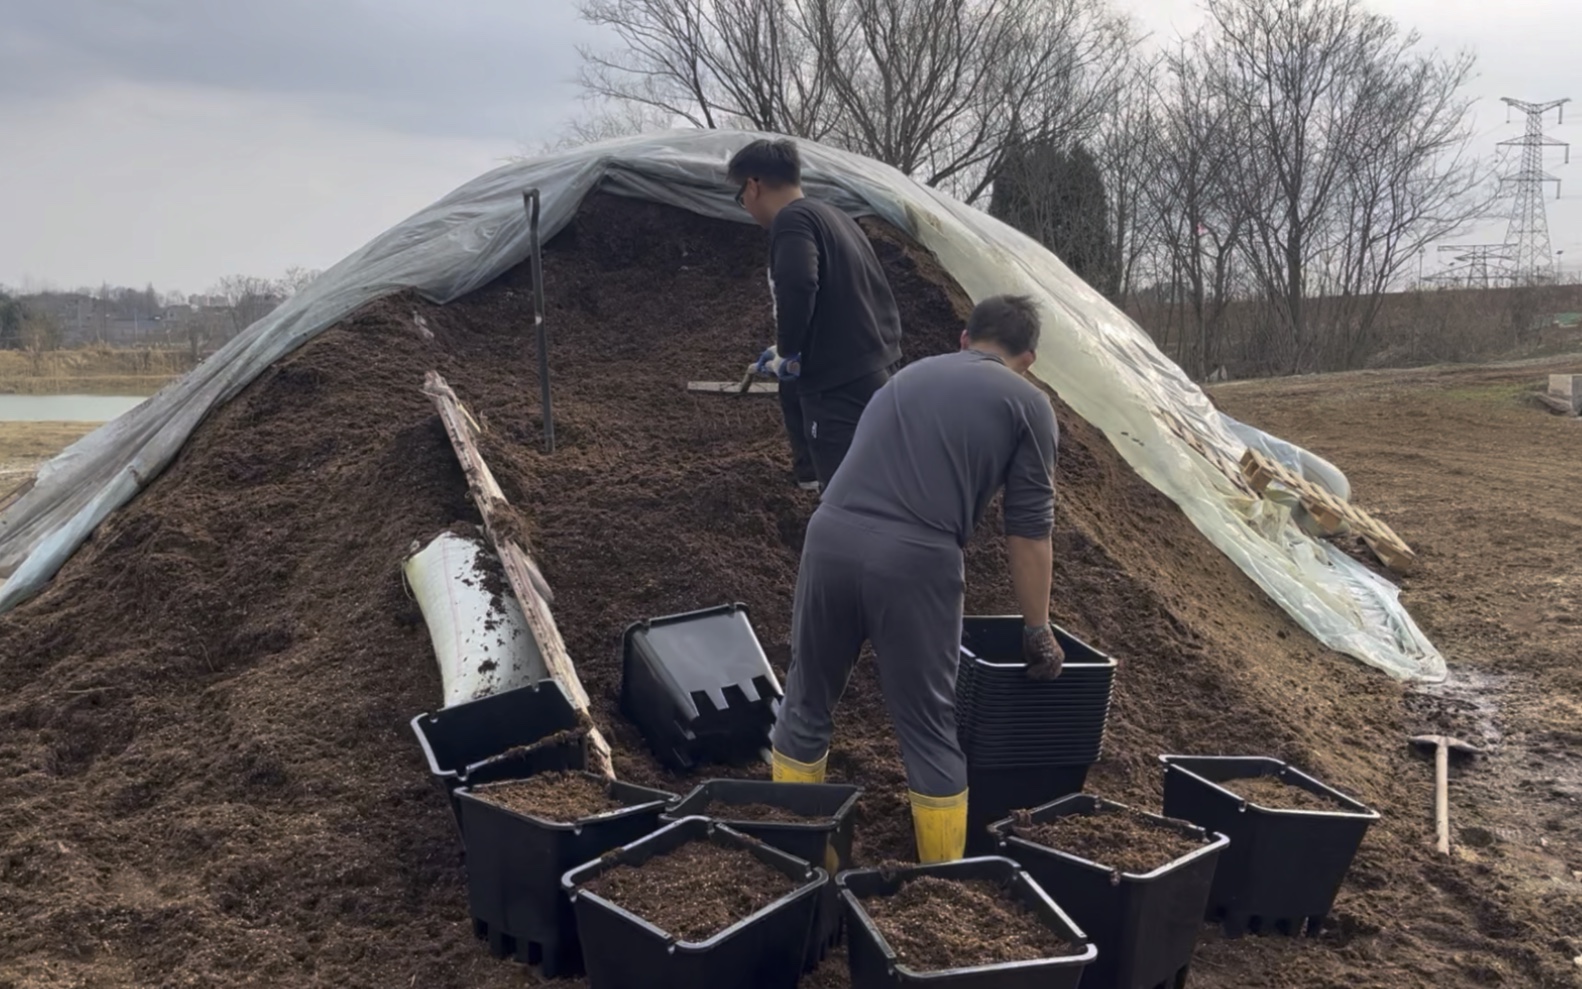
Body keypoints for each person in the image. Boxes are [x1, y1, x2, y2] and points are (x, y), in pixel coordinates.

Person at [769, 294, 1066, 864]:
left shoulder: (906, 378)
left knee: (805, 701)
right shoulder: (1029, 404)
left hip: (829, 535)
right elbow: (1028, 528)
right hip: (916, 558)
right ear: (1028, 358)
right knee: (929, 729)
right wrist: (1037, 628)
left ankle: (801, 865)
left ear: (963, 338)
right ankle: (941, 889)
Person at [729, 138, 903, 490]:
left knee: (845, 492)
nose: (745, 205)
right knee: (881, 478)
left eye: (740, 196)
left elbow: (798, 283)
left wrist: (789, 351)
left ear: (753, 185)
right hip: (878, 366)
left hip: (837, 385)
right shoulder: (838, 218)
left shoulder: (791, 221)